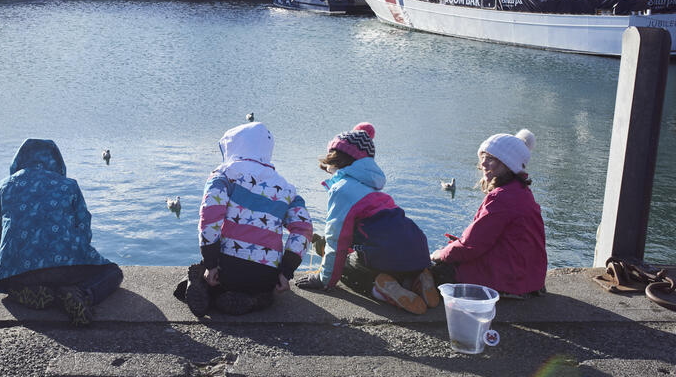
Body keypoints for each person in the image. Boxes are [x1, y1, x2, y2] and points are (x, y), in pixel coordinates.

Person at [295, 123, 437, 315]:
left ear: (336, 156)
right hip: (417, 247)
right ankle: (416, 279)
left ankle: (381, 290)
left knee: (346, 267)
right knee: (386, 258)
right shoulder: (373, 189)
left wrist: (324, 280)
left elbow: (337, 240)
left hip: (386, 251)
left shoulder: (342, 189)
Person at [176, 122, 311, 316]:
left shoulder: (223, 176)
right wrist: (286, 270)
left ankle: (205, 286)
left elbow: (210, 219)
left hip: (227, 267)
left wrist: (211, 262)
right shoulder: (287, 189)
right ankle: (255, 299)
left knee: (206, 274)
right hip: (266, 274)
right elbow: (303, 229)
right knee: (265, 293)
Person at [0, 139, 122, 326]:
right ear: (57, 161)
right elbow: (84, 229)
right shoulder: (69, 185)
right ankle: (82, 294)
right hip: (68, 269)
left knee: (16, 281)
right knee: (113, 272)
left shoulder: (6, 186)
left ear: (19, 160)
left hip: (21, 272)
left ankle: (30, 292)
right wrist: (79, 257)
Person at [431, 130, 547, 297]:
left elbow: (471, 246)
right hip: (528, 277)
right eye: (483, 157)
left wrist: (440, 254)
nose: (483, 164)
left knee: (434, 270)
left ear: (509, 164)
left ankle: (393, 291)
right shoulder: (521, 192)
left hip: (508, 279)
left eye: (491, 159)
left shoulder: (502, 198)